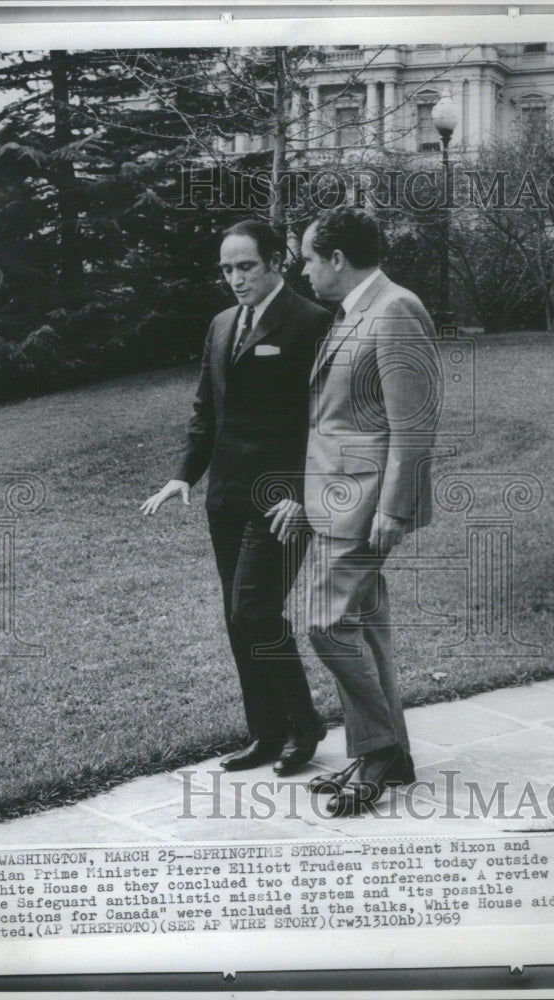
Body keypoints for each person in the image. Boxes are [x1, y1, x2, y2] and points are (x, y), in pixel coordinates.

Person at [141, 220, 330, 775]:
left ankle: (304, 722)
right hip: (225, 498)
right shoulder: (222, 324)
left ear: (276, 262)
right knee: (237, 615)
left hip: (282, 503)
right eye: (227, 268)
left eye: (246, 266)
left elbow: (325, 422)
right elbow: (207, 411)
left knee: (255, 609)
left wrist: (302, 492)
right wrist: (184, 475)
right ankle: (266, 733)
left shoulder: (313, 322)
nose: (235, 278)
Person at [272, 207, 438, 816]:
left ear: (337, 259)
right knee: (365, 626)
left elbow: (413, 422)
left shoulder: (395, 309)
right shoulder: (353, 311)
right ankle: (388, 757)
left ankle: (380, 749)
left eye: (309, 259)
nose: (304, 271)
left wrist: (394, 508)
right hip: (335, 500)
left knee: (322, 620)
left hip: (367, 503)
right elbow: (333, 420)